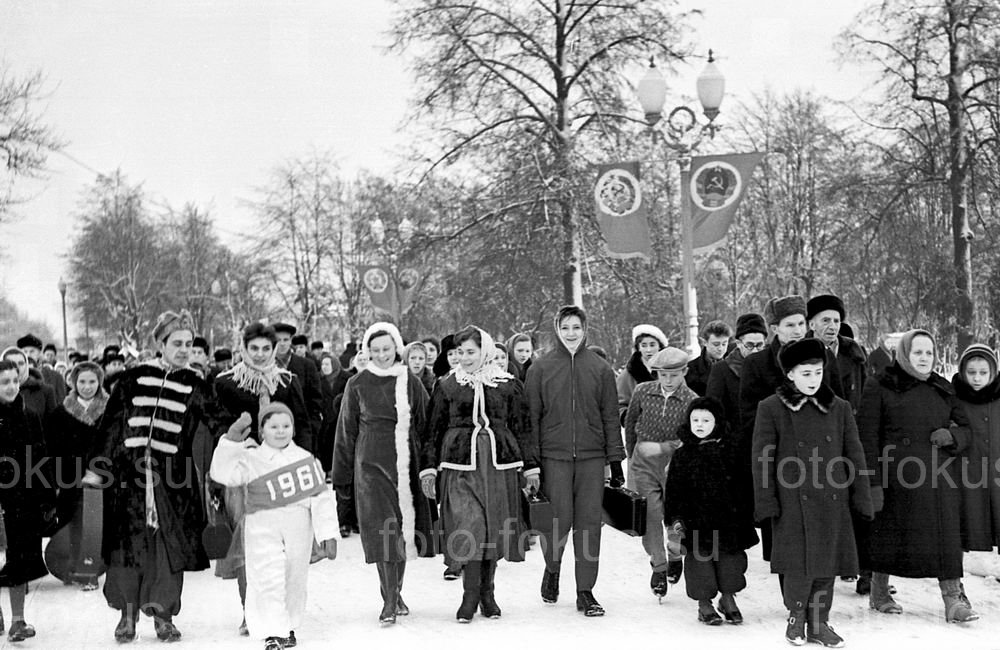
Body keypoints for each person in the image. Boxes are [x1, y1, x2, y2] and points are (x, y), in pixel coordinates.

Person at [82, 310, 211, 643]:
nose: (184, 349)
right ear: (161, 344)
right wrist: (98, 468)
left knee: (167, 549)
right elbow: (111, 425)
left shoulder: (196, 385)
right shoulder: (133, 378)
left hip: (173, 482)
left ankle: (163, 616)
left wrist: (240, 434)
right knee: (127, 547)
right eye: (177, 343)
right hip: (130, 478)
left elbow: (219, 421)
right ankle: (127, 616)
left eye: (189, 343)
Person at [752, 339, 873, 647]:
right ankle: (795, 618)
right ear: (790, 374)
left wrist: (861, 496)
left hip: (833, 499)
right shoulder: (771, 408)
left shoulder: (839, 408)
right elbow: (762, 458)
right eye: (805, 373)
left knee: (827, 566)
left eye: (818, 372)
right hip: (792, 500)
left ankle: (819, 623)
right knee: (798, 566)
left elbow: (854, 454)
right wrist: (766, 501)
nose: (813, 379)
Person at [856, 329, 977, 623]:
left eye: (929, 353)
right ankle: (879, 592)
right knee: (887, 538)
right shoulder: (880, 384)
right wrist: (871, 482)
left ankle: (953, 599)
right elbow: (866, 437)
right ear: (904, 354)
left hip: (937, 478)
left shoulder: (942, 387)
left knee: (946, 539)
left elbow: (966, 429)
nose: (924, 358)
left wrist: (952, 435)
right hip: (895, 478)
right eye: (917, 352)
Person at [420, 326, 536, 623]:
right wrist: (428, 469)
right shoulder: (447, 385)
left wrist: (531, 467)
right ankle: (470, 594)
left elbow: (523, 428)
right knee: (470, 525)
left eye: (471, 352)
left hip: (499, 467)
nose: (465, 358)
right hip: (459, 466)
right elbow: (432, 431)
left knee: (492, 529)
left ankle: (488, 593)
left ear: (483, 351)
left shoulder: (508, 384)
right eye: (460, 353)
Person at [211, 403, 338, 650]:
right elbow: (223, 473)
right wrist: (231, 440)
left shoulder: (305, 459)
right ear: (262, 431)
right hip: (262, 525)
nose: (280, 431)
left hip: (298, 526)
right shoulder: (250, 458)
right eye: (274, 427)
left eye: (286, 426)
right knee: (267, 577)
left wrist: (328, 534)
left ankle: (287, 625)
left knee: (293, 576)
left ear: (293, 428)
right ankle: (274, 631)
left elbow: (321, 500)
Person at [212, 322, 312, 636]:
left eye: (265, 349)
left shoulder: (287, 381)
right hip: (243, 473)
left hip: (283, 472)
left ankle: (279, 609)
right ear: (243, 348)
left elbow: (304, 425)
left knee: (284, 545)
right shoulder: (226, 384)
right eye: (253, 348)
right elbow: (215, 429)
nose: (259, 354)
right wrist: (237, 442)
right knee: (248, 540)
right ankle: (249, 609)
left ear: (274, 349)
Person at [525, 305, 625, 617]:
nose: (571, 333)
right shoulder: (540, 368)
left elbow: (610, 416)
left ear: (585, 330)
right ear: (557, 329)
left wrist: (616, 460)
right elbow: (531, 418)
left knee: (589, 525)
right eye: (565, 327)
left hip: (592, 458)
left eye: (576, 328)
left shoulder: (599, 368)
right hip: (553, 457)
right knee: (558, 522)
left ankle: (585, 591)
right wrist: (532, 463)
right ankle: (552, 568)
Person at [332, 322, 434, 625]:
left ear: (397, 348)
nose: (381, 355)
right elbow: (346, 431)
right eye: (375, 350)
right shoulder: (358, 384)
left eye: (386, 349)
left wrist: (429, 465)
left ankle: (395, 591)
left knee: (402, 532)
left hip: (404, 465)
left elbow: (427, 424)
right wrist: (342, 475)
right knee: (382, 534)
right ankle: (389, 600)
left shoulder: (410, 381)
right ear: (367, 351)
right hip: (370, 467)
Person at [738, 295, 842, 561]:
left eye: (801, 324)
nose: (798, 330)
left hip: (820, 460)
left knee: (821, 540)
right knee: (785, 545)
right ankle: (793, 596)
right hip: (781, 463)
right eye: (790, 325)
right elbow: (749, 417)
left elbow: (839, 406)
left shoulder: (823, 356)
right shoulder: (756, 364)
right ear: (775, 329)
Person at [664, 397, 757, 625]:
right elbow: (674, 494)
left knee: (731, 565)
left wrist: (745, 515)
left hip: (729, 522)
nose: (700, 425)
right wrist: (675, 527)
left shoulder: (732, 451)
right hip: (695, 524)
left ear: (717, 422)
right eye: (695, 419)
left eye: (706, 420)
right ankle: (704, 604)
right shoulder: (682, 455)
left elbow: (744, 486)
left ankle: (728, 599)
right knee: (700, 567)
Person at [623, 347, 697, 596]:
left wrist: (667, 449)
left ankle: (675, 553)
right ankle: (658, 565)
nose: (667, 380)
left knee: (675, 518)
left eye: (674, 375)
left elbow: (692, 436)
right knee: (651, 515)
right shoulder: (643, 391)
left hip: (675, 465)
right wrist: (632, 456)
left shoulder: (691, 400)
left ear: (684, 372)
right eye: (663, 375)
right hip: (643, 463)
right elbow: (631, 423)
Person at [0, 359, 54, 642]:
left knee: (18, 559)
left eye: (13, 380)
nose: (10, 387)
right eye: (3, 382)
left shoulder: (30, 415)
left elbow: (41, 459)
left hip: (21, 498)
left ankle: (17, 620)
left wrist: (46, 499)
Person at [46, 361, 110, 590]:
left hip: (101, 477)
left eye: (92, 381)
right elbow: (53, 449)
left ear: (100, 382)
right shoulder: (61, 412)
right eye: (82, 381)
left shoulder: (110, 410)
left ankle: (90, 572)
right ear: (73, 382)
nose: (87, 386)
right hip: (70, 479)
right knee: (73, 524)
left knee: (95, 525)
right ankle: (74, 567)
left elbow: (113, 445)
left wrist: (100, 471)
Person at [951, 344, 1000, 553]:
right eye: (971, 373)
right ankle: (955, 582)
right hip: (967, 474)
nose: (977, 379)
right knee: (966, 525)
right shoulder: (954, 398)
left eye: (983, 373)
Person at [706, 313, 767, 435]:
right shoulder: (722, 370)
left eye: (760, 345)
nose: (755, 350)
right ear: (739, 344)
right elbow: (714, 410)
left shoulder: (772, 367)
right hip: (737, 442)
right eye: (749, 345)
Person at [806, 294, 868, 412]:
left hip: (851, 423)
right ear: (812, 325)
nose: (833, 327)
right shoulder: (800, 353)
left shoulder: (855, 352)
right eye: (826, 321)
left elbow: (866, 394)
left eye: (836, 321)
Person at [273, 323, 323, 455]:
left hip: (302, 433)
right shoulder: (265, 367)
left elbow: (316, 399)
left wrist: (312, 427)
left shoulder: (307, 366)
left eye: (286, 340)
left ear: (291, 341)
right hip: (273, 433)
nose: (282, 344)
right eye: (278, 340)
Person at [616, 324, 669, 424]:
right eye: (644, 345)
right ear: (638, 348)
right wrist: (632, 419)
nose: (648, 350)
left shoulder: (671, 369)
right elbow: (618, 405)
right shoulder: (628, 374)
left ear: (660, 347)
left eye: (652, 345)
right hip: (640, 432)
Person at [1, 347, 57, 422]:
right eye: (11, 363)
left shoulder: (45, 391)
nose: (17, 367)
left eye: (21, 363)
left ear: (26, 365)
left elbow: (53, 426)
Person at [686, 320, 733, 396]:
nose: (720, 348)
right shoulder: (691, 370)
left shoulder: (735, 364)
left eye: (724, 344)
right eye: (716, 344)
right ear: (705, 342)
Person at [17, 333, 67, 402]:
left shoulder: (56, 377)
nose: (28, 355)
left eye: (32, 351)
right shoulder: (15, 377)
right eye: (25, 351)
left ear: (39, 353)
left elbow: (61, 403)